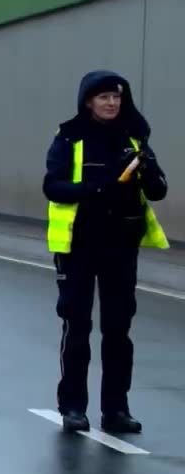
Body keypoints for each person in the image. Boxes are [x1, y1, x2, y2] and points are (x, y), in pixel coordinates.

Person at [43, 70, 169, 433]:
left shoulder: (135, 136)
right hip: (79, 245)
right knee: (77, 325)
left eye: (116, 97)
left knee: (118, 330)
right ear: (88, 102)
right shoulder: (69, 137)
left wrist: (144, 170)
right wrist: (97, 188)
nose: (112, 103)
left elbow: (159, 190)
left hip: (120, 245)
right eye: (103, 98)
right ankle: (73, 407)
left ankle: (116, 409)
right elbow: (53, 186)